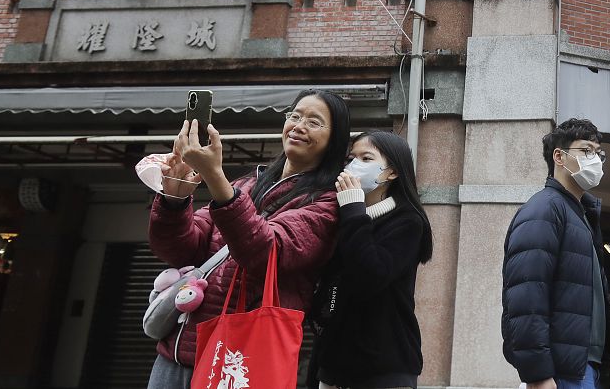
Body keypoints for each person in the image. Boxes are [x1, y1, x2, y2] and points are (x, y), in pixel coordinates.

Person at [146, 89, 348, 389]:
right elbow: (181, 251)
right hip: (176, 354)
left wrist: (215, 176)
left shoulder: (328, 203)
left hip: (237, 361)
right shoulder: (247, 183)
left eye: (314, 122)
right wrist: (174, 201)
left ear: (335, 139)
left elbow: (265, 252)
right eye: (294, 116)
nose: (299, 126)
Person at [501, 119, 610, 389]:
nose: (596, 160)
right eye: (586, 151)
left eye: (599, 153)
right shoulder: (544, 210)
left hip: (585, 366)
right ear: (559, 157)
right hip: (562, 371)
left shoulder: (582, 215)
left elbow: (597, 296)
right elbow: (526, 297)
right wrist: (538, 373)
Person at [309, 130, 433, 389]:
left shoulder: (408, 222)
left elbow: (370, 275)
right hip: (333, 365)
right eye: (351, 158)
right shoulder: (340, 214)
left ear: (392, 172)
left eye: (366, 158)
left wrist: (354, 210)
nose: (354, 166)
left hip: (385, 366)